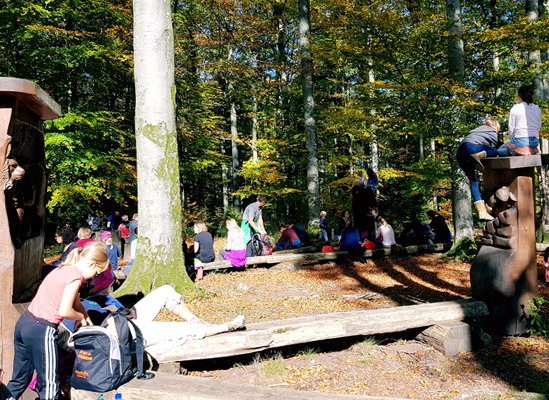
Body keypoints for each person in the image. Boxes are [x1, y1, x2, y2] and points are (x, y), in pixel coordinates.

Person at [6, 242, 110, 400]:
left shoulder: (64, 268)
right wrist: (80, 317)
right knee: (49, 383)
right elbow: (65, 311)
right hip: (42, 329)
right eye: (96, 272)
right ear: (91, 264)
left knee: (19, 379)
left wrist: (85, 316)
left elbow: (75, 302)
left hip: (25, 323)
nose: (95, 277)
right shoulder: (76, 276)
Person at [121, 285, 246, 348]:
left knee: (166, 291)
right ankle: (224, 327)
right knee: (176, 329)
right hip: (123, 336)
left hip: (122, 320)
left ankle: (195, 321)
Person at [456, 117, 500, 221]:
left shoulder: (476, 131)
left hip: (460, 153)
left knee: (473, 180)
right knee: (494, 151)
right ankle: (479, 155)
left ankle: (482, 212)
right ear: (495, 127)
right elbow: (499, 145)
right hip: (472, 148)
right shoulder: (491, 131)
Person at [498, 85, 541, 157]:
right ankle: (530, 150)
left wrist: (512, 140)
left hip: (521, 140)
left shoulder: (516, 108)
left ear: (519, 96)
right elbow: (538, 126)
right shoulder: (537, 109)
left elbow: (511, 127)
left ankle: (519, 151)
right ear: (532, 96)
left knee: (500, 150)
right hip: (535, 141)